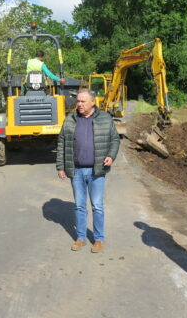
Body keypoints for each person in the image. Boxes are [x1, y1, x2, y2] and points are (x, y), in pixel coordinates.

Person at [56, 89, 120, 253]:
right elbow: (62, 143)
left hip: (96, 170)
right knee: (79, 206)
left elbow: (114, 139)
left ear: (93, 102)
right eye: (78, 101)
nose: (79, 104)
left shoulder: (105, 118)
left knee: (97, 206)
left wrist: (111, 156)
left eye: (83, 101)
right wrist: (61, 166)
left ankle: (98, 239)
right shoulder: (70, 118)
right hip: (76, 170)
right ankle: (81, 238)